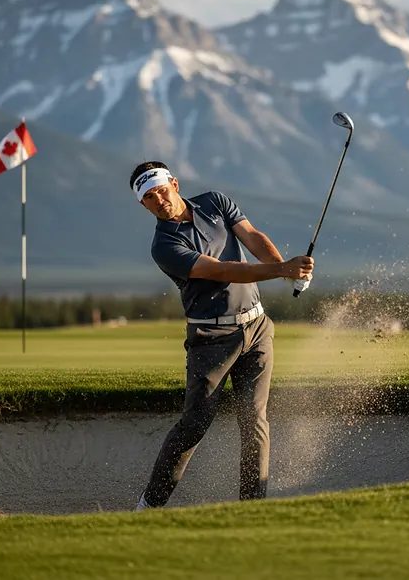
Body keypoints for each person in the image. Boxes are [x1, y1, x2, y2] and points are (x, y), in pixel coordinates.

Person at [129, 161, 314, 510]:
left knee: (255, 420)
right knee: (195, 425)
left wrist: (289, 274)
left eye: (162, 191)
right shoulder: (164, 245)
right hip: (212, 338)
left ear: (175, 183)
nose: (159, 201)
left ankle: (251, 511)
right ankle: (149, 506)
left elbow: (252, 237)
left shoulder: (215, 201)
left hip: (258, 329)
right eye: (150, 198)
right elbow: (222, 271)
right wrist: (282, 270)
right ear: (143, 205)